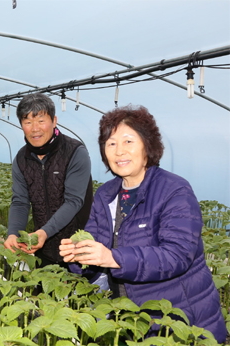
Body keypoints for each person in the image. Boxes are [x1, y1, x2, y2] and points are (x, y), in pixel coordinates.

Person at [59, 105, 226, 343]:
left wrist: (113, 258)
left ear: (147, 145)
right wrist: (78, 255)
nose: (119, 151)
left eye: (128, 141)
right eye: (111, 143)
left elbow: (177, 255)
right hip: (132, 318)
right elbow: (95, 244)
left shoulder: (174, 190)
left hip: (180, 321)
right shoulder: (107, 194)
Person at [4, 93, 93, 268]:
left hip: (77, 247)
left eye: (41, 121)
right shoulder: (22, 159)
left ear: (54, 121)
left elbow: (74, 201)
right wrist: (13, 233)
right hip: (43, 248)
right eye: (28, 122)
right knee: (44, 292)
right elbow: (20, 202)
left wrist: (44, 232)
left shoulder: (75, 152)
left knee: (79, 293)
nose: (35, 128)